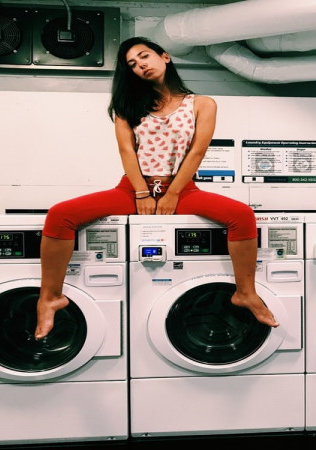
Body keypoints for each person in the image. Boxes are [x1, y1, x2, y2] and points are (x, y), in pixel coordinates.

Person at [34, 36, 279, 340]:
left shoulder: (202, 104)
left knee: (242, 215)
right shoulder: (127, 106)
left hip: (182, 189)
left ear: (164, 56)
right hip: (133, 189)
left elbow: (197, 152)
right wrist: (141, 192)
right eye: (132, 65)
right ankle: (50, 297)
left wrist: (173, 193)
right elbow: (126, 151)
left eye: (144, 56)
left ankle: (245, 292)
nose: (140, 66)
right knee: (60, 214)